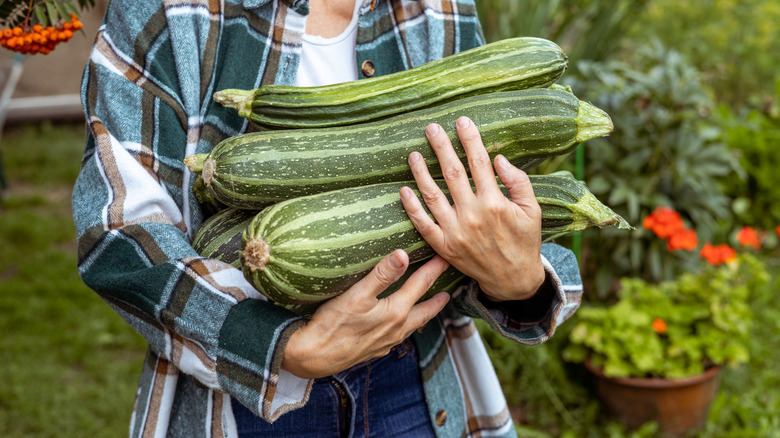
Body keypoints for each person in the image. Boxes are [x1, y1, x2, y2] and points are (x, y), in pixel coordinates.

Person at [72, 0, 583, 437]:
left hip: (416, 382)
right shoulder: (170, 11)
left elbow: (479, 191)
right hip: (243, 398)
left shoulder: (439, 7)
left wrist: (520, 281)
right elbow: (119, 231)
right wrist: (276, 345)